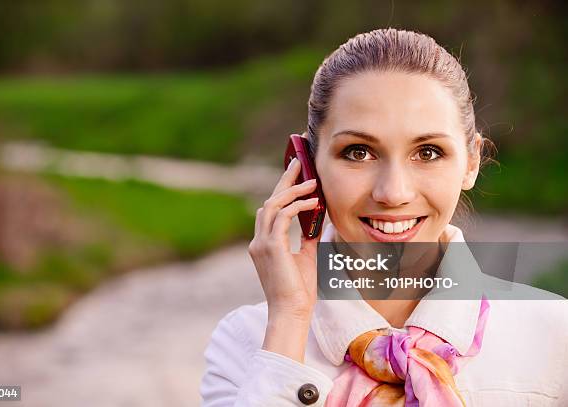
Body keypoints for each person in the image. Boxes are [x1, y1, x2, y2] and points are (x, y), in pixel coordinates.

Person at [200, 28, 568, 406]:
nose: (393, 193)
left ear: (470, 162)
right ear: (306, 165)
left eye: (427, 152)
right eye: (358, 152)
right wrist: (290, 323)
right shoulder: (248, 342)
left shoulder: (554, 335)